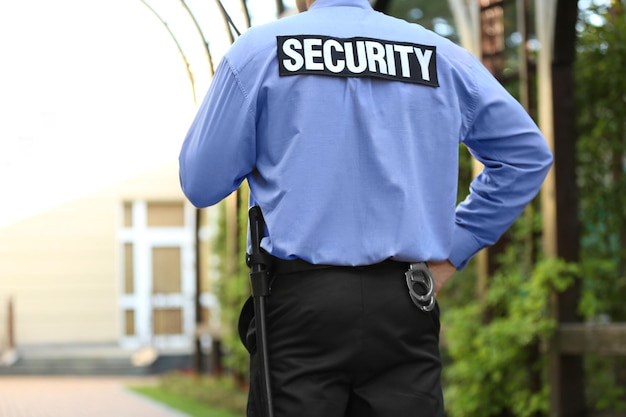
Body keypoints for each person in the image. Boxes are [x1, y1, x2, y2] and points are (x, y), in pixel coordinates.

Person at [179, 0, 553, 415]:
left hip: (301, 306)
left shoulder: (258, 51)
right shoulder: (440, 55)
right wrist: (454, 249)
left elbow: (201, 184)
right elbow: (526, 156)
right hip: (405, 304)